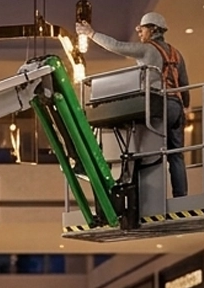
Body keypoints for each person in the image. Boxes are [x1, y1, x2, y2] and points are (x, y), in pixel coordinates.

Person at [76, 12, 190, 198]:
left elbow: (117, 46)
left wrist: (91, 34)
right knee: (176, 155)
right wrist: (184, 107)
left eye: (142, 29)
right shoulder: (177, 54)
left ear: (153, 29)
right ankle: (181, 196)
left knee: (141, 147)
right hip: (175, 107)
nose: (139, 33)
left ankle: (142, 193)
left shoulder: (148, 50)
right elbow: (184, 84)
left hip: (157, 105)